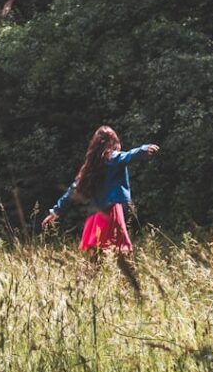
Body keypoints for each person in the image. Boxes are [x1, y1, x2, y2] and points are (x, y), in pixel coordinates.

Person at [42, 125, 159, 291]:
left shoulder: (90, 166)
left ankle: (79, 291)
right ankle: (131, 292)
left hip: (96, 215)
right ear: (113, 142)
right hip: (111, 213)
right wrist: (143, 149)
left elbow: (72, 190)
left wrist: (55, 211)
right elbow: (127, 156)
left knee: (97, 260)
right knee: (123, 252)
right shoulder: (112, 158)